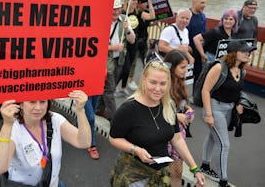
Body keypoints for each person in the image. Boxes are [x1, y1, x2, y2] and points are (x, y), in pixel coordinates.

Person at [109, 60, 204, 187]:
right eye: (153, 82)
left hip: (160, 174)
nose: (158, 89)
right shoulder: (129, 109)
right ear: (144, 79)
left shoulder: (168, 106)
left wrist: (194, 168)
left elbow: (177, 139)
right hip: (133, 176)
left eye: (163, 83)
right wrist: (136, 150)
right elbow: (114, 138)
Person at [0, 90, 91, 187]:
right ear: (21, 104)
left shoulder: (55, 119)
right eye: (32, 102)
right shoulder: (13, 129)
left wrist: (80, 110)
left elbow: (84, 142)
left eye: (42, 102)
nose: (38, 107)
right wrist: (7, 124)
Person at [200, 40, 256, 187]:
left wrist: (238, 104)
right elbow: (205, 90)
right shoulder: (219, 67)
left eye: (249, 51)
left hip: (229, 108)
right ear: (234, 53)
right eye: (244, 51)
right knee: (224, 144)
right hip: (215, 107)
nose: (248, 53)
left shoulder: (241, 70)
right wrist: (209, 114)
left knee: (213, 137)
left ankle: (204, 166)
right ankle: (223, 181)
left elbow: (237, 90)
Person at [96, 0, 135, 120]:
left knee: (108, 88)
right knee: (110, 90)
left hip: (120, 59)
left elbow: (132, 40)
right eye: (113, 9)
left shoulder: (124, 19)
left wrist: (127, 29)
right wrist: (113, 48)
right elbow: (96, 45)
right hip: (107, 60)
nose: (116, 12)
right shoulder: (101, 21)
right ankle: (114, 118)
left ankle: (98, 109)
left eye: (118, 9)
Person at [164, 50, 195, 187]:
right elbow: (153, 108)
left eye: (187, 67)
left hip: (177, 134)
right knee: (160, 172)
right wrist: (176, 115)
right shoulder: (162, 83)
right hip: (163, 134)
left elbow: (182, 103)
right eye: (182, 67)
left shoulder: (180, 82)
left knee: (177, 172)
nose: (185, 70)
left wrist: (188, 110)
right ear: (172, 66)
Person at [127, 0, 156, 91]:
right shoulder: (131, 13)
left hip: (143, 40)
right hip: (134, 40)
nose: (146, 5)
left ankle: (147, 80)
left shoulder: (142, 12)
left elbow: (152, 16)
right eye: (145, 3)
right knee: (133, 62)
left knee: (146, 61)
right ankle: (130, 80)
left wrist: (151, 3)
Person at [187, 0, 207, 94]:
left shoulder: (203, 16)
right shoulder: (187, 15)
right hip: (187, 49)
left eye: (205, 2)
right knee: (184, 74)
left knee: (198, 72)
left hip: (198, 49)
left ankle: (195, 95)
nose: (205, 5)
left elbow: (203, 34)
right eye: (202, 3)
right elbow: (183, 31)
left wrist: (203, 50)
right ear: (194, 3)